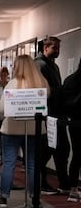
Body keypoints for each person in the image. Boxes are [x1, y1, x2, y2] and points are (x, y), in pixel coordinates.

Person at [0, 55, 49, 208]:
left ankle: (3, 198)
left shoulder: (13, 84)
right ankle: (34, 198)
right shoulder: (40, 83)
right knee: (32, 164)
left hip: (11, 128)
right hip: (35, 130)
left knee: (9, 163)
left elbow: (3, 109)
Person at [34, 36, 70, 194]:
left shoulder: (53, 66)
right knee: (47, 150)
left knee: (62, 149)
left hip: (56, 113)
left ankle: (64, 182)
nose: (57, 51)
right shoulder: (40, 65)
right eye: (54, 48)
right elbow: (42, 91)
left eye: (58, 48)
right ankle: (41, 183)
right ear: (45, 48)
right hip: (47, 114)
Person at [61, 58, 81, 202]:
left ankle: (73, 188)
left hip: (73, 122)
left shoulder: (69, 80)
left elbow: (64, 102)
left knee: (77, 155)